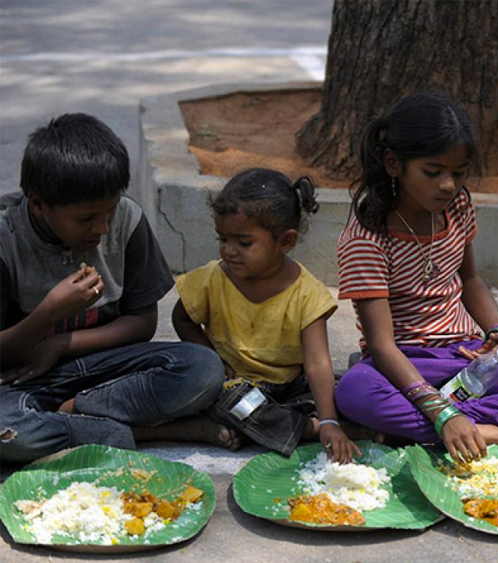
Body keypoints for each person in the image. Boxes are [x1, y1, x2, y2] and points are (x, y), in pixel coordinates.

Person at [334, 92, 498, 463]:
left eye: (458, 173)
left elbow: (469, 280)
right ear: (394, 164)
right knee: (355, 392)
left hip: (465, 355)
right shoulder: (366, 239)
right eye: (433, 172)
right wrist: (441, 410)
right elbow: (382, 345)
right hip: (403, 362)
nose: (447, 185)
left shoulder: (457, 208)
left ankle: (437, 428)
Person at [0, 113, 225, 463]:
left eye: (110, 210)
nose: (103, 227)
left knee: (203, 368)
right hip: (26, 378)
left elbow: (142, 323)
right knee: (8, 430)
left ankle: (74, 415)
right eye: (86, 218)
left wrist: (60, 343)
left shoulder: (127, 221)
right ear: (38, 204)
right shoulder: (6, 241)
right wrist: (48, 314)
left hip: (105, 371)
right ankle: (144, 431)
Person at [172, 168, 357, 462]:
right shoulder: (211, 278)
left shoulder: (307, 293)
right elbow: (182, 319)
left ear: (285, 242)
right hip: (235, 386)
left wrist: (329, 418)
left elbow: (318, 363)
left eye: (243, 243)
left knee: (347, 391)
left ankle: (301, 425)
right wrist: (213, 359)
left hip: (291, 387)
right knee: (231, 401)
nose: (229, 251)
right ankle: (307, 429)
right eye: (223, 239)